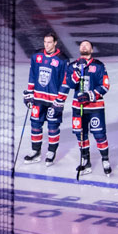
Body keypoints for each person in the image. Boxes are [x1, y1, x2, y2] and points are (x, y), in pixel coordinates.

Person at [24, 32, 70, 164]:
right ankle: (35, 151)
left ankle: (51, 151)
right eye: (45, 42)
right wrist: (29, 93)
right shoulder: (37, 56)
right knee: (35, 125)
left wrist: (60, 99)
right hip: (38, 97)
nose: (47, 45)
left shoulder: (62, 59)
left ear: (55, 43)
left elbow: (65, 82)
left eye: (49, 42)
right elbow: (32, 75)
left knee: (53, 126)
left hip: (54, 100)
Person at [66, 39, 109, 173]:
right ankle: (86, 160)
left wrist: (90, 95)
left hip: (95, 107)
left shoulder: (99, 65)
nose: (84, 47)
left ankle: (105, 159)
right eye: (82, 45)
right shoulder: (72, 66)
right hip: (78, 107)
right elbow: (70, 84)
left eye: (87, 45)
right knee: (81, 134)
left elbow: (105, 86)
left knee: (99, 134)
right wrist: (76, 75)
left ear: (92, 49)